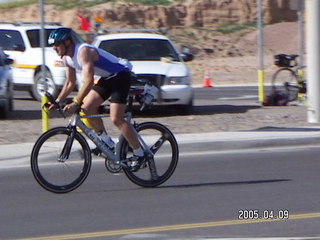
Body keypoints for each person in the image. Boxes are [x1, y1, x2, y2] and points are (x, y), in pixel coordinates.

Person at [47, 27, 144, 171]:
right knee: (86, 108)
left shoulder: (83, 52)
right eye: (52, 45)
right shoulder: (67, 59)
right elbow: (69, 83)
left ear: (67, 42)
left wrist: (75, 102)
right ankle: (107, 143)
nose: (54, 48)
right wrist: (57, 101)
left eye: (56, 44)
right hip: (107, 78)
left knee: (116, 118)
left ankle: (139, 153)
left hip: (120, 75)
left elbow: (89, 81)